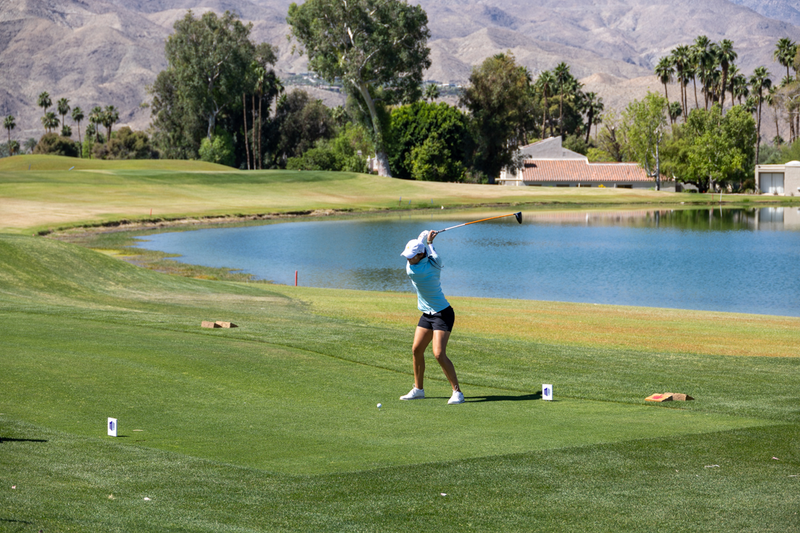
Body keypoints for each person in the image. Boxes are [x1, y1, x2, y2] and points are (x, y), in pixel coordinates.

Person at [399, 229, 464, 405]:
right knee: (416, 349)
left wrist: (426, 238)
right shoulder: (433, 261)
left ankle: (457, 392)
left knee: (438, 353)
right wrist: (428, 240)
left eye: (411, 256)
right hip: (427, 313)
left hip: (442, 313)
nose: (408, 259)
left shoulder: (415, 271)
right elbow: (430, 252)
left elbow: (428, 251)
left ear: (420, 255)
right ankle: (418, 390)